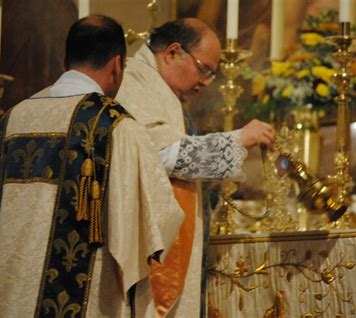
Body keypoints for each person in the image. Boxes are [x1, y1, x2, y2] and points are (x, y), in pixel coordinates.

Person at [0, 15, 184, 317]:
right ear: (117, 64)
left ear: (66, 62)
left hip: (3, 305)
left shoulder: (5, 126)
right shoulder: (117, 128)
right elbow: (156, 224)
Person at [116, 18, 275, 317]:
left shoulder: (160, 88)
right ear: (173, 52)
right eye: (204, 70)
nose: (205, 83)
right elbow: (160, 154)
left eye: (212, 76)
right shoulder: (133, 82)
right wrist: (239, 139)